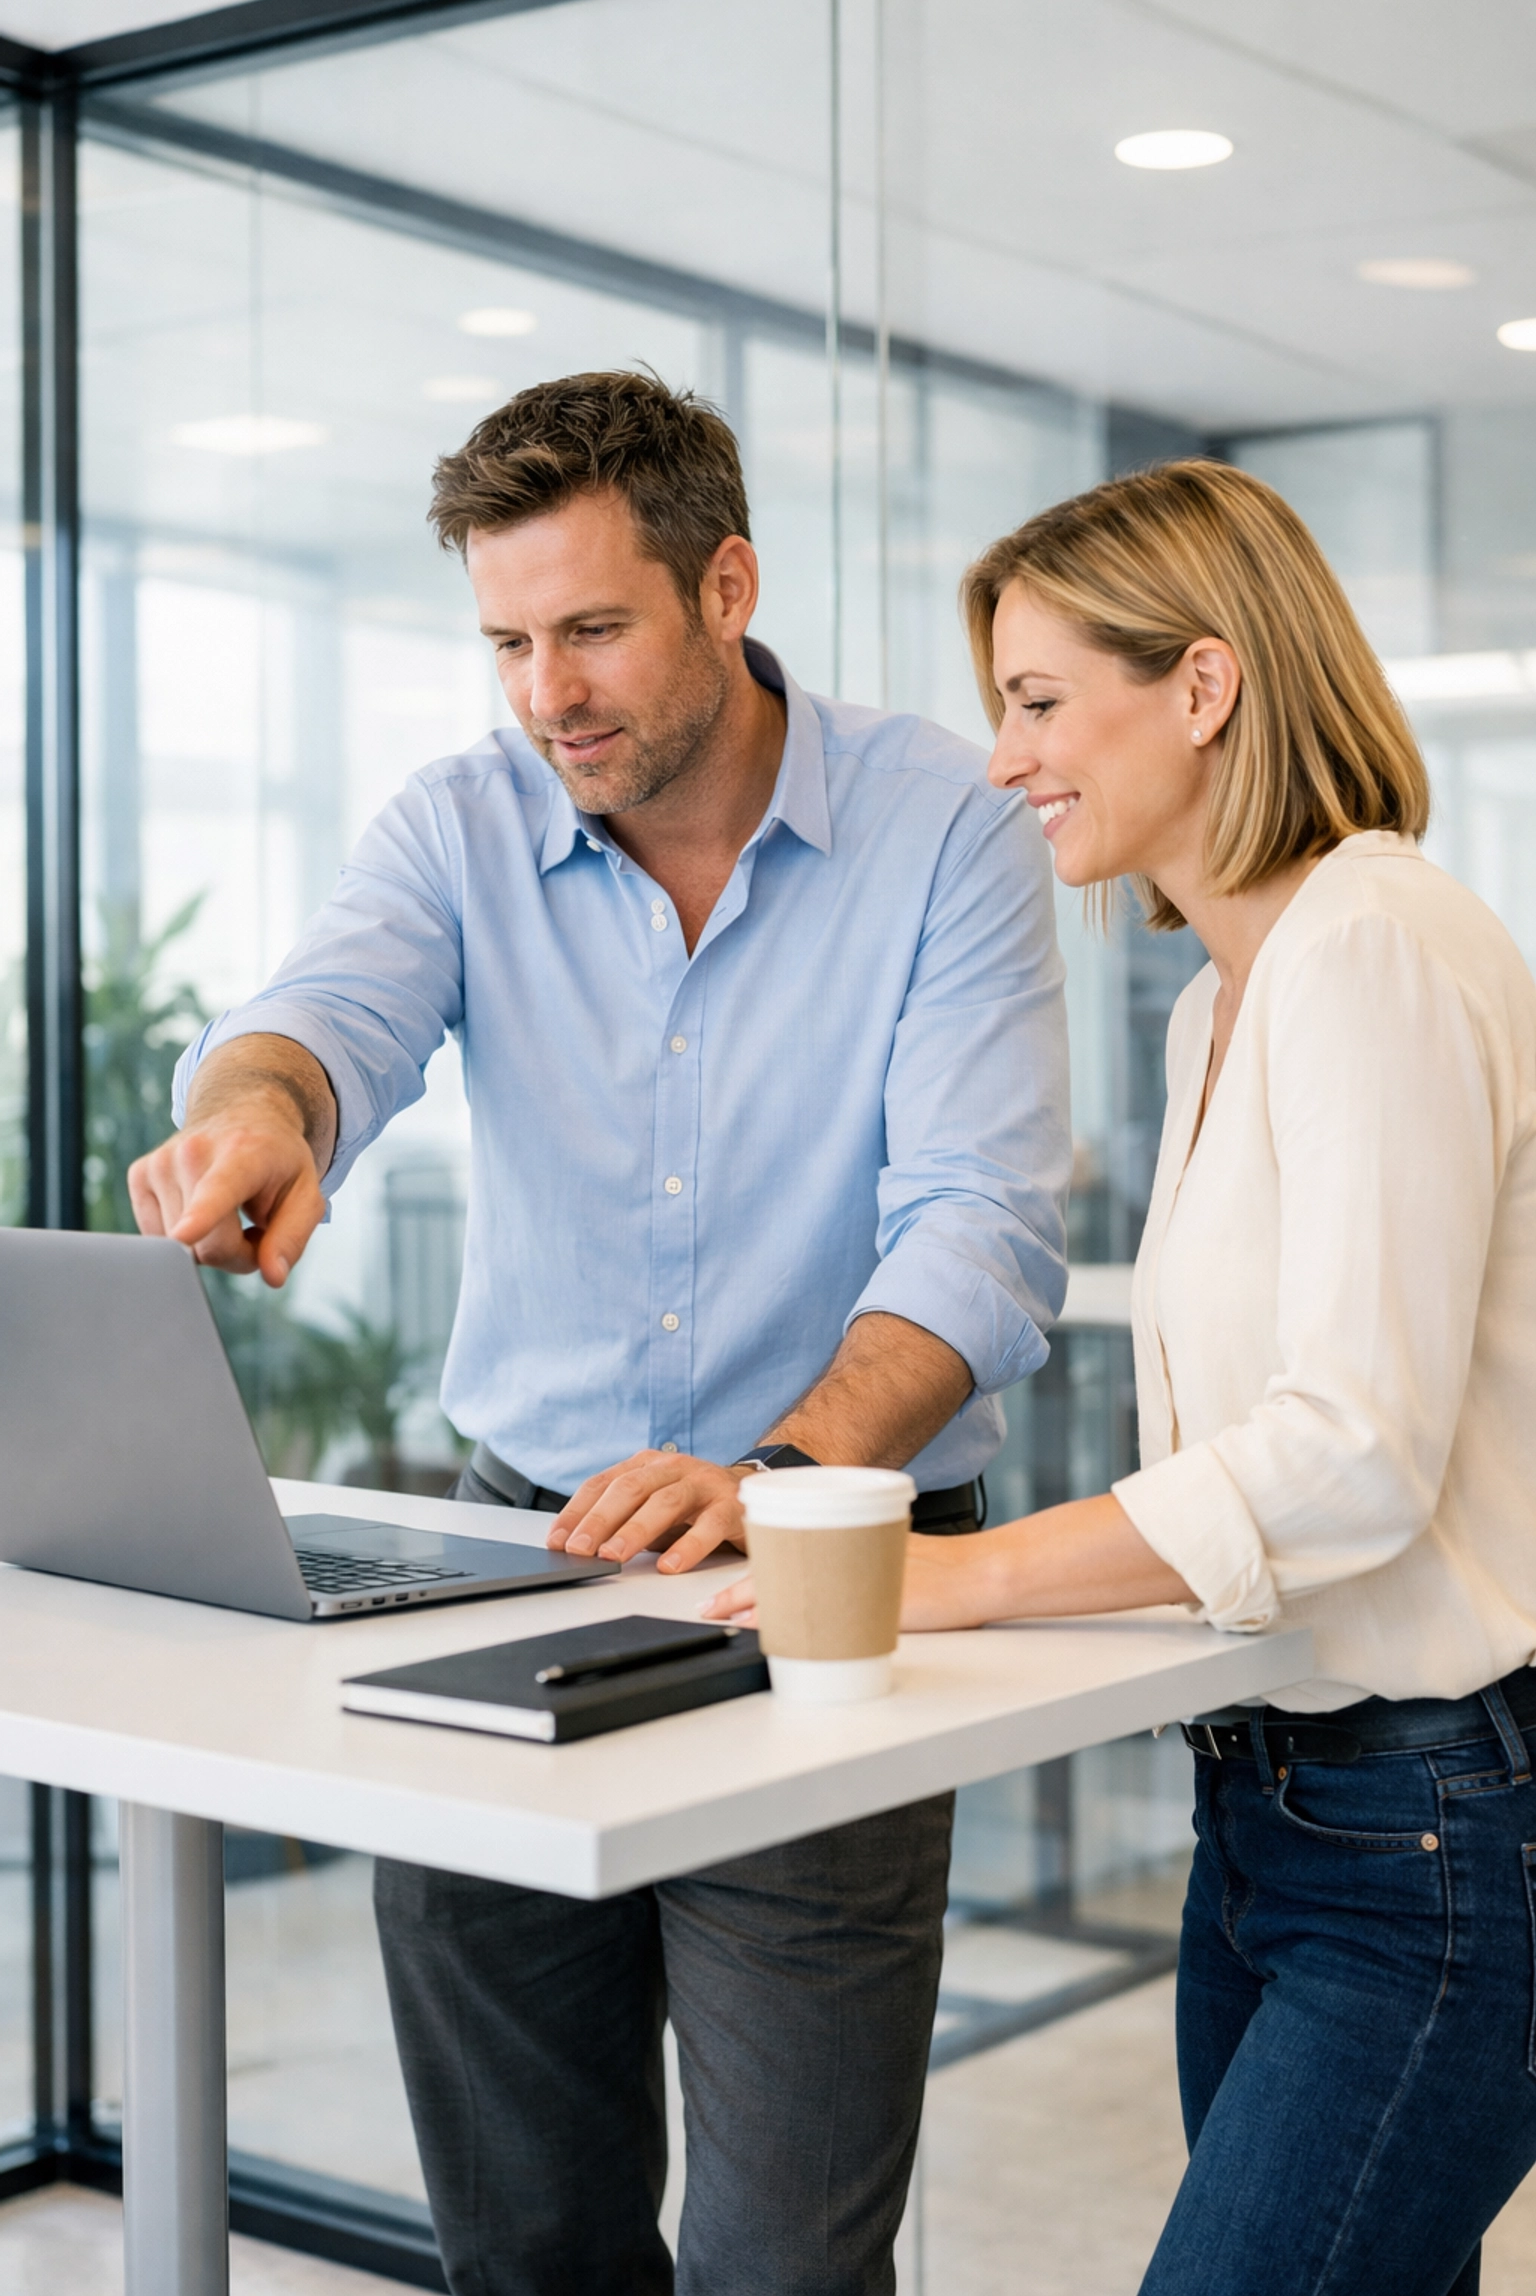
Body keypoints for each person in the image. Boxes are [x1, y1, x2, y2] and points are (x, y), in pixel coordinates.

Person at [128, 369, 1070, 2296]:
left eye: (590, 630)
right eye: (506, 643)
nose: (546, 690)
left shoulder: (943, 832)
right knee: (525, 2235)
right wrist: (259, 1112)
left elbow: (979, 1227)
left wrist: (779, 1482)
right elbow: (324, 1016)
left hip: (826, 1572)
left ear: (726, 587)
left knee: (784, 2262)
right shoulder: (462, 825)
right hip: (517, 1553)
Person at [711, 454, 1536, 2296]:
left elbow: (1347, 1454)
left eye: (1036, 701)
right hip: (1275, 1809)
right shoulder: (1221, 999)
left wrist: (952, 1575)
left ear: (1206, 685)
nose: (1004, 760)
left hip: (1436, 1838)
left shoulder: (1375, 949)